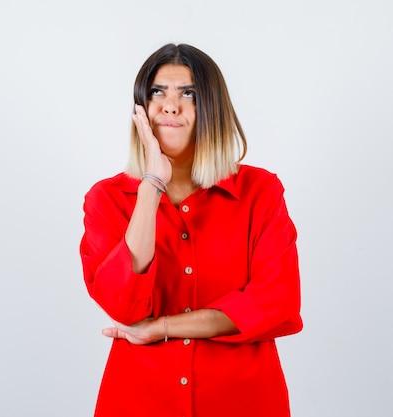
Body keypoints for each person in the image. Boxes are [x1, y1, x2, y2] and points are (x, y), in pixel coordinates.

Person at [79, 43, 303, 417]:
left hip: (243, 403)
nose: (170, 105)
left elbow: (274, 304)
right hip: (138, 402)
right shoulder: (107, 199)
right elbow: (123, 306)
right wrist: (150, 186)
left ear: (212, 109)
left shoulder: (260, 192)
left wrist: (163, 326)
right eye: (157, 92)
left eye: (189, 93)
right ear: (141, 109)